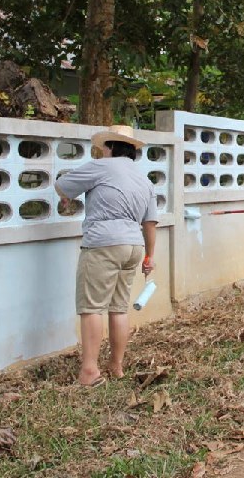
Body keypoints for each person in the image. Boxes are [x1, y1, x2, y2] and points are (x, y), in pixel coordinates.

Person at [55, 125, 158, 386]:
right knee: (119, 308)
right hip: (133, 247)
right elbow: (150, 223)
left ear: (110, 147)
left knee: (91, 307)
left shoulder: (102, 166)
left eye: (103, 147)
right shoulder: (143, 179)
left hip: (103, 243)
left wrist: (70, 192)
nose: (101, 151)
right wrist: (150, 256)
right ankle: (116, 365)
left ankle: (90, 371)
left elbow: (62, 186)